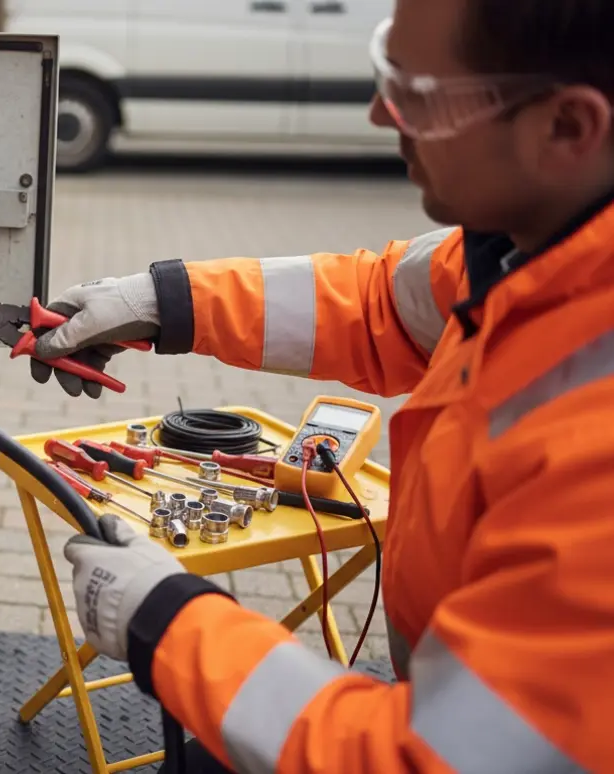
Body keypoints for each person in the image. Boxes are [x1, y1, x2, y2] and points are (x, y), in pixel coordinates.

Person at [45, 0, 614, 771]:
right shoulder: (529, 247)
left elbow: (426, 760)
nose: (381, 113)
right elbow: (381, 304)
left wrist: (166, 622)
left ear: (569, 128)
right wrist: (159, 303)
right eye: (388, 69)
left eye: (417, 93)